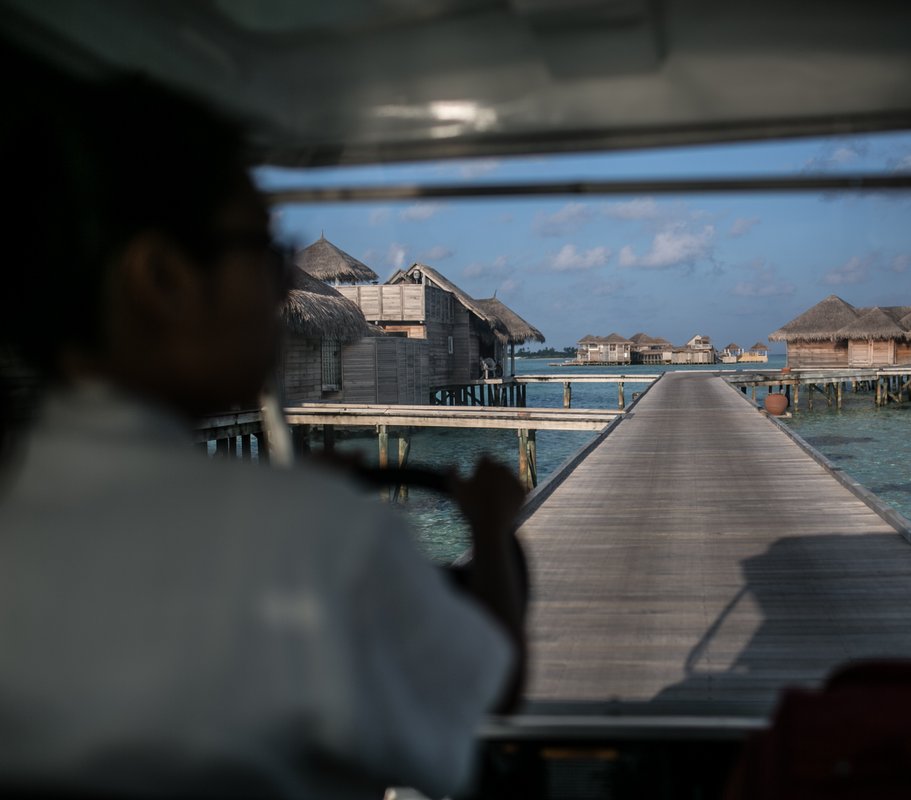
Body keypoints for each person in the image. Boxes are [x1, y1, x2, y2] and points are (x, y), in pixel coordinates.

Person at [0, 72, 527, 799]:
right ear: (162, 278)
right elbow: (486, 688)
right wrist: (491, 532)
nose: (282, 284)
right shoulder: (311, 539)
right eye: (264, 251)